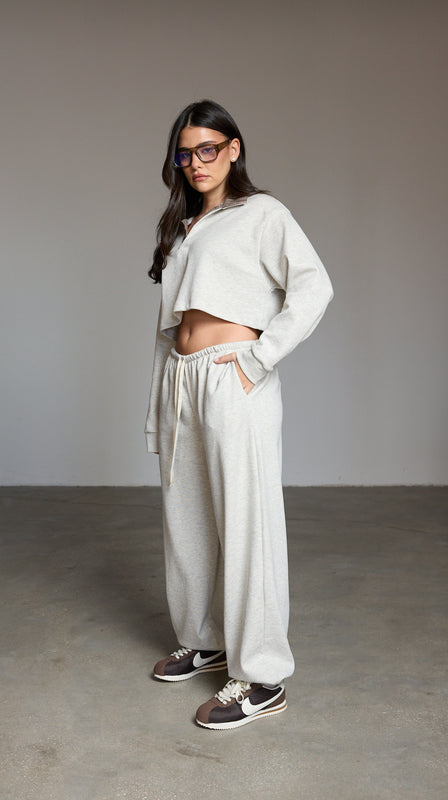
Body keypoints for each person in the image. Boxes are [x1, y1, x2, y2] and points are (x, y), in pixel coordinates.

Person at [144, 99, 334, 730]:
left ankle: (263, 676)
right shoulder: (183, 228)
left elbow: (314, 286)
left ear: (233, 148)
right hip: (183, 380)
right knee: (187, 520)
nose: (196, 163)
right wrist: (158, 411)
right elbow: (168, 330)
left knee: (247, 524)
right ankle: (204, 640)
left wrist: (260, 358)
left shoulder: (263, 213)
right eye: (185, 153)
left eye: (208, 149)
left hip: (233, 377)